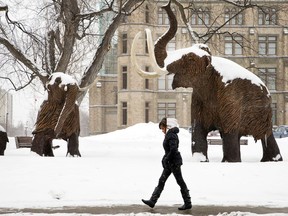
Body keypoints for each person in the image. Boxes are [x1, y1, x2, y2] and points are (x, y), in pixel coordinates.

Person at [142, 117, 192, 210]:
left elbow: (173, 150)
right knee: (161, 181)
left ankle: (188, 202)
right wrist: (165, 159)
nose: (162, 130)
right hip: (170, 162)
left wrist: (166, 159)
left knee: (180, 181)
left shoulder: (171, 135)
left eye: (162, 128)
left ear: (167, 126)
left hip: (174, 162)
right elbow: (169, 150)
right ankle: (152, 201)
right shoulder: (170, 134)